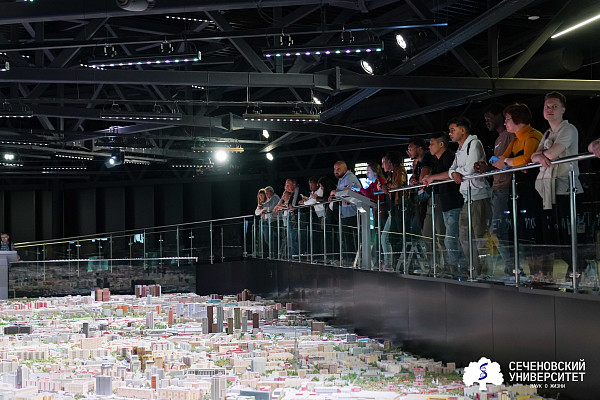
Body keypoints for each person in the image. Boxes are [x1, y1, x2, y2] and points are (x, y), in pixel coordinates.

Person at [531, 92, 584, 281]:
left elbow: (552, 154)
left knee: (569, 234)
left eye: (554, 106)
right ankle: (572, 272)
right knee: (555, 235)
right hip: (549, 189)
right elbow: (533, 157)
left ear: (563, 109)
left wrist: (540, 156)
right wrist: (539, 156)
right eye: (547, 106)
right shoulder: (547, 133)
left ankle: (578, 271)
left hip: (566, 189)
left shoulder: (568, 129)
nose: (550, 109)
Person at [446, 116, 492, 278]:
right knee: (464, 236)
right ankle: (474, 268)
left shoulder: (474, 144)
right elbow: (451, 170)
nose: (450, 133)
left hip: (479, 195)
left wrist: (456, 173)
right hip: (467, 197)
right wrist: (454, 173)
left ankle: (485, 271)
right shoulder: (460, 149)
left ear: (463, 130)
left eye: (453, 130)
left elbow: (470, 169)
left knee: (480, 235)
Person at [474, 103, 516, 278]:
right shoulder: (499, 139)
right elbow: (498, 161)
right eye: (485, 119)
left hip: (506, 188)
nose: (487, 122)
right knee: (496, 230)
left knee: (499, 230)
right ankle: (511, 268)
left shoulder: (510, 135)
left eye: (489, 118)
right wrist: (486, 167)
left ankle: (513, 268)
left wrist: (489, 168)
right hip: (497, 188)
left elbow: (509, 162)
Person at [422, 133, 467, 276]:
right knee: (450, 239)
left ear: (441, 144)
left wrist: (433, 177)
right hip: (446, 204)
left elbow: (452, 173)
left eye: (432, 143)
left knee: (451, 240)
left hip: (454, 203)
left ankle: (460, 269)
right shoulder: (438, 161)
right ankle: (457, 268)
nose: (429, 147)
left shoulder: (449, 157)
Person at [378, 151, 407, 270]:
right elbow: (387, 185)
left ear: (389, 162)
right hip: (394, 208)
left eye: (384, 162)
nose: (383, 165)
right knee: (387, 237)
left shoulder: (400, 171)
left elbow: (397, 184)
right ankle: (390, 263)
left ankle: (391, 264)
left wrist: (385, 186)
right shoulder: (392, 173)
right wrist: (384, 186)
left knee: (391, 237)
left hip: (400, 207)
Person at [331, 161, 361, 265]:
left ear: (345, 169)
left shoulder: (349, 177)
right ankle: (348, 259)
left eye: (338, 169)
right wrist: (334, 194)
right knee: (345, 238)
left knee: (351, 238)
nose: (336, 171)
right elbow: (338, 193)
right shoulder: (341, 179)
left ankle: (353, 259)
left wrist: (335, 193)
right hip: (345, 212)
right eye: (335, 169)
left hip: (353, 212)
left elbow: (345, 192)